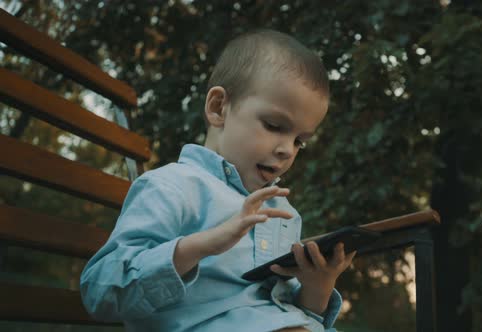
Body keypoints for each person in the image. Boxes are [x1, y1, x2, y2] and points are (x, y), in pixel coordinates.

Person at [80, 29, 355, 332]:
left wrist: (318, 286)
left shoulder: (282, 212)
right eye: (274, 125)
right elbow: (100, 293)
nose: (286, 149)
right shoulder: (171, 187)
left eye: (300, 141)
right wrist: (204, 244)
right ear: (218, 107)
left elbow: (285, 312)